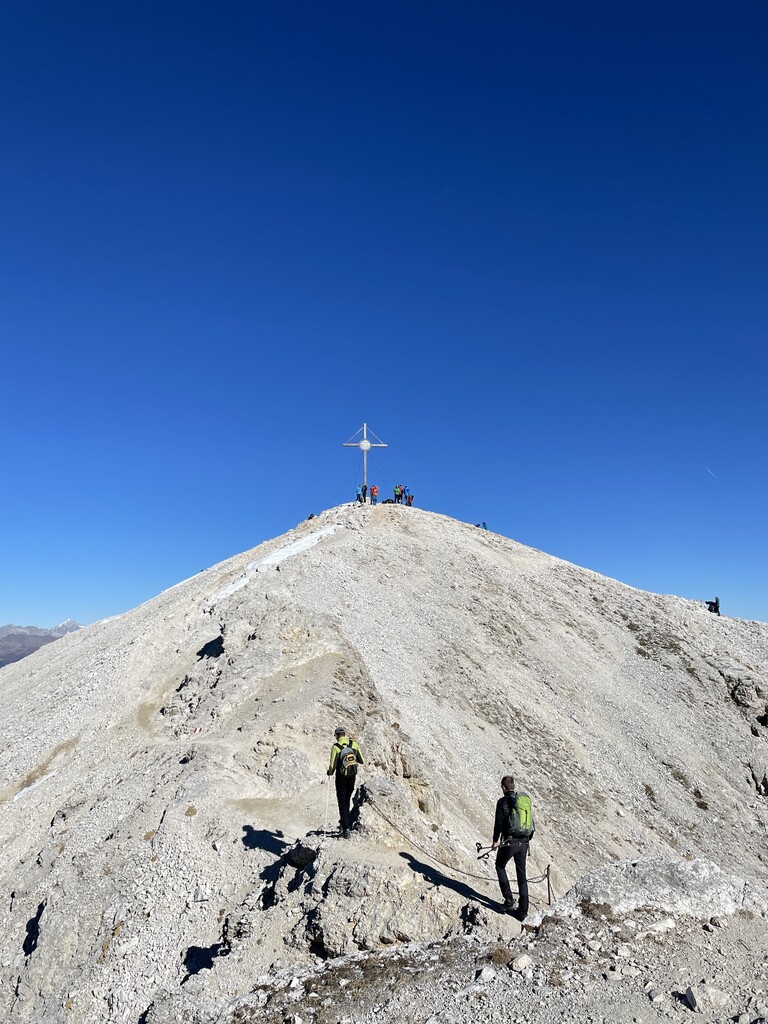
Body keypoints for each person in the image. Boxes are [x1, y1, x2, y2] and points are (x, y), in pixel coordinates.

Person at [491, 775, 534, 919]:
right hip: (524, 842)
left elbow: (499, 824)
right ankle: (523, 911)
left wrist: (495, 840)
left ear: (503, 788)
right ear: (513, 787)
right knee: (522, 876)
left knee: (500, 866)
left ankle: (509, 900)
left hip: (510, 842)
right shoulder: (521, 801)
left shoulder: (502, 802)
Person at [327, 727, 364, 836]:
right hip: (352, 777)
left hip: (341, 778)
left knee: (342, 801)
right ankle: (344, 821)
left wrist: (329, 772)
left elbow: (332, 766)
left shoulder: (336, 747)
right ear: (345, 734)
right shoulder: (354, 744)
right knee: (347, 798)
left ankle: (346, 828)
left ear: (337, 735)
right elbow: (361, 760)